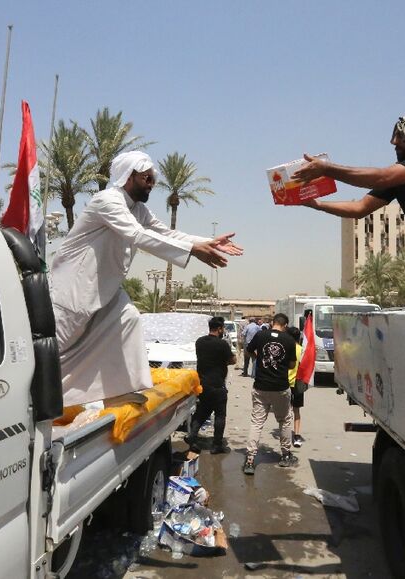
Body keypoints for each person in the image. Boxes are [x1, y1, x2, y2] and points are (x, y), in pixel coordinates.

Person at [51, 151, 243, 406]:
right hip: (73, 292)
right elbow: (137, 235)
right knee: (56, 352)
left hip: (104, 290)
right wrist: (193, 251)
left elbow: (166, 233)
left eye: (153, 178)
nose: (152, 184)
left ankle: (119, 391)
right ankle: (39, 401)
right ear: (129, 176)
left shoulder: (138, 210)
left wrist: (207, 242)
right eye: (147, 178)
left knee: (129, 318)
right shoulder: (107, 201)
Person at [292, 112, 405, 313]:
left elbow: (379, 178)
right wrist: (317, 204)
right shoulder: (401, 178)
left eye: (400, 136)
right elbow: (360, 208)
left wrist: (327, 169)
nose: (393, 141)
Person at [243, 313, 298, 474]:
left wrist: (259, 359)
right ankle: (286, 455)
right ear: (285, 325)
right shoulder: (289, 340)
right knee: (285, 420)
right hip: (280, 387)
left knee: (257, 423)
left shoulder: (261, 335)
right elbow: (292, 363)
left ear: (273, 323)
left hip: (260, 386)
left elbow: (248, 351)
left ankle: (250, 459)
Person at [187, 316, 236, 454]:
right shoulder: (222, 344)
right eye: (223, 328)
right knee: (220, 415)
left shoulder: (200, 342)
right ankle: (217, 445)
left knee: (202, 412)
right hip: (217, 385)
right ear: (220, 329)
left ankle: (192, 436)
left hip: (202, 385)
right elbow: (232, 360)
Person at [286, 326, 305, 448]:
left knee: (286, 411)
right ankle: (297, 436)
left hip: (286, 382)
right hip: (298, 383)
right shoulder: (302, 350)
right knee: (297, 410)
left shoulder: (286, 349)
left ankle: (286, 435)